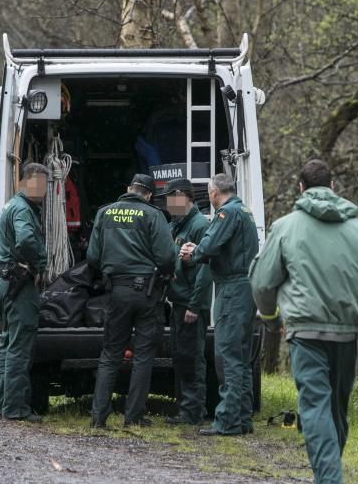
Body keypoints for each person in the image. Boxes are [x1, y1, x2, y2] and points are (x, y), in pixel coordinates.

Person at [249, 159, 358, 484]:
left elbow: (263, 281)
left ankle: (327, 480)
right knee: (336, 410)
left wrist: (270, 317)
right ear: (333, 185)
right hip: (346, 334)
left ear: (300, 188)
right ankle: (329, 476)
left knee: (315, 406)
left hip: (305, 331)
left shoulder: (285, 227)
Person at [87, 174, 176, 427]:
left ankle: (98, 418)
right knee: (143, 356)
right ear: (149, 194)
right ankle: (133, 417)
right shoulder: (153, 215)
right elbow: (167, 256)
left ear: (129, 189)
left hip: (116, 292)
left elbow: (93, 256)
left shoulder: (105, 213)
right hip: (147, 293)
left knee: (110, 354)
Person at [180, 173, 259, 437]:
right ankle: (243, 417)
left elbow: (211, 245)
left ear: (214, 192)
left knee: (227, 356)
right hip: (246, 287)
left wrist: (193, 252)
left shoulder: (226, 213)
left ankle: (227, 421)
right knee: (243, 355)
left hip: (232, 289)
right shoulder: (244, 211)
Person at [0, 162, 49, 422]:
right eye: (43, 183)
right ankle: (15, 410)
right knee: (19, 346)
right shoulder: (23, 209)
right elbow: (25, 240)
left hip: (3, 280)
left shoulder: (11, 205)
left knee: (7, 344)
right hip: (19, 283)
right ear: (28, 181)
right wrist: (38, 264)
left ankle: (2, 405)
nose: (45, 190)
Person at [161, 178, 212, 426]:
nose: (169, 205)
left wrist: (195, 305)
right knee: (181, 355)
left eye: (171, 199)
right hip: (178, 301)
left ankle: (193, 412)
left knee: (192, 357)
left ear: (183, 196)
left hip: (190, 305)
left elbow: (205, 270)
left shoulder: (200, 226)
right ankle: (185, 409)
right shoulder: (177, 226)